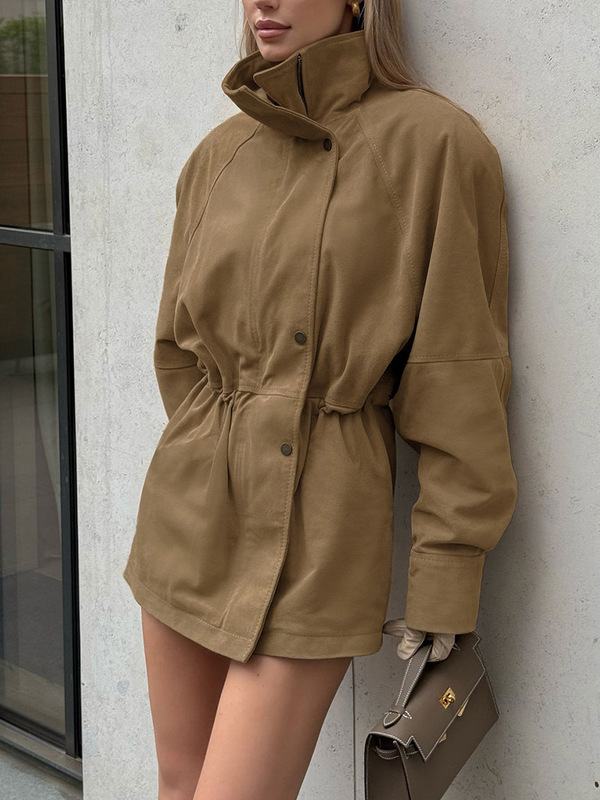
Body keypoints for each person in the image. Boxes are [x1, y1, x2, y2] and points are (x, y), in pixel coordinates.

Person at [122, 1, 518, 798]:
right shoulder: (219, 154)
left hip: (324, 533)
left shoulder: (437, 146)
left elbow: (458, 379)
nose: (262, 1)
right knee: (178, 784)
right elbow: (177, 351)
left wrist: (446, 577)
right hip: (188, 515)